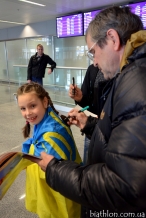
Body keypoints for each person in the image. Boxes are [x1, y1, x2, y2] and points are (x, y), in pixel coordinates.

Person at [36, 6, 146, 217]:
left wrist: (55, 169)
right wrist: (89, 125)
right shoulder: (130, 74)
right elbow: (122, 136)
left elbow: (123, 186)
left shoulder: (136, 79)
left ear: (112, 38)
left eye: (93, 51)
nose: (94, 61)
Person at [17, 82, 82, 218]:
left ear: (45, 102)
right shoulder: (44, 119)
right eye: (23, 108)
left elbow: (48, 169)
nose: (27, 113)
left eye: (32, 106)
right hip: (55, 191)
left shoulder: (52, 133)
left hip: (58, 197)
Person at [69, 64, 108, 164]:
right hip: (91, 126)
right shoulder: (92, 69)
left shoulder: (123, 76)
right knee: (88, 164)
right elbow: (87, 103)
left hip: (110, 134)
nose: (94, 62)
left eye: (94, 52)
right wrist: (80, 99)